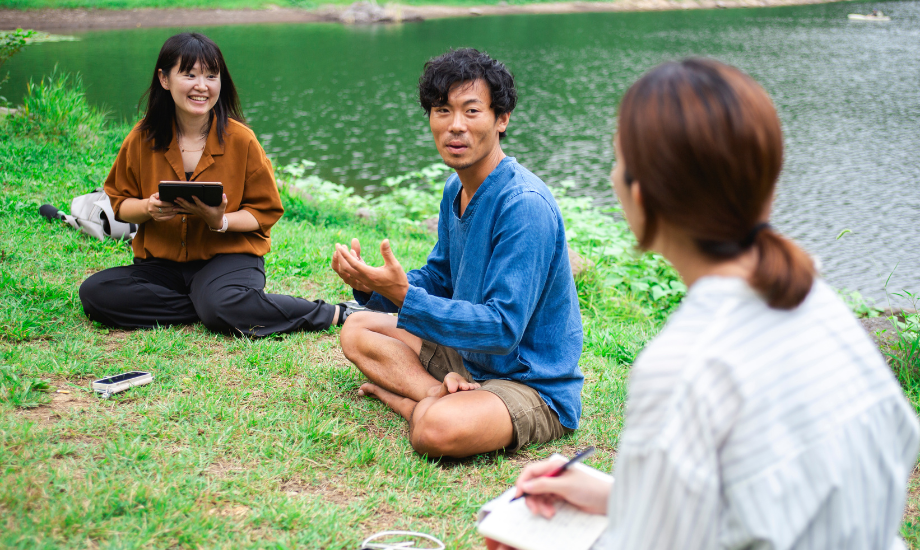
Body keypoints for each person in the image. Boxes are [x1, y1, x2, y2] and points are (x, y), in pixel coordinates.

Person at [490, 59, 920, 549]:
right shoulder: (815, 303)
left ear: (642, 198)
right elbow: (782, 499)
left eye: (617, 160)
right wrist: (617, 494)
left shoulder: (683, 365)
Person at [331, 48, 584, 459]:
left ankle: (417, 405)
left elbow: (503, 328)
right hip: (467, 357)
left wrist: (405, 298)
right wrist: (375, 284)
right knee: (357, 329)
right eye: (442, 110)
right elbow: (441, 278)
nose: (455, 127)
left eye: (471, 111)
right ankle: (438, 392)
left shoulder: (524, 204)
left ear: (501, 119)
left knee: (436, 431)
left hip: (527, 380)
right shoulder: (457, 188)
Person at [79, 32, 347, 336]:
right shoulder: (142, 136)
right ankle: (210, 307)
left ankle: (334, 312)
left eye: (211, 75)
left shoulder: (242, 140)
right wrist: (148, 208)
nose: (201, 86)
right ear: (164, 79)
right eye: (189, 75)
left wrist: (220, 221)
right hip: (160, 265)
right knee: (97, 293)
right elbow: (121, 204)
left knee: (221, 304)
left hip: (228, 258)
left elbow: (264, 212)